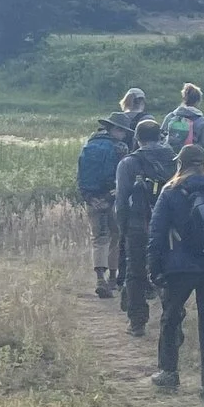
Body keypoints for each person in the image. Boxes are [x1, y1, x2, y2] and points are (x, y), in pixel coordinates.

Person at [147, 148, 204, 398]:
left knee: (171, 319)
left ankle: (169, 373)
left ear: (180, 164)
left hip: (178, 267)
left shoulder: (171, 190)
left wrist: (154, 267)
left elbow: (157, 232)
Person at [113, 118, 177, 337]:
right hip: (170, 227)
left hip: (138, 224)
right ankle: (173, 321)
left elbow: (121, 199)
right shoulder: (174, 158)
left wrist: (122, 226)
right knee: (168, 272)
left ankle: (137, 322)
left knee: (136, 272)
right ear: (160, 135)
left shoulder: (129, 163)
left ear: (137, 138)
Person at [77, 117, 127, 299]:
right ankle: (113, 278)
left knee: (99, 238)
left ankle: (100, 278)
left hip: (92, 198)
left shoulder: (88, 145)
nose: (123, 135)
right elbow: (119, 176)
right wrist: (109, 196)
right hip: (112, 197)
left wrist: (89, 197)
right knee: (116, 235)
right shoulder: (119, 148)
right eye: (122, 131)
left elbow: (81, 173)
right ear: (114, 129)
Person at [162, 84, 204, 166]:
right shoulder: (202, 121)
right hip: (192, 164)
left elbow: (160, 138)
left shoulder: (170, 117)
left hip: (170, 161)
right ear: (198, 101)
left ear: (184, 99)